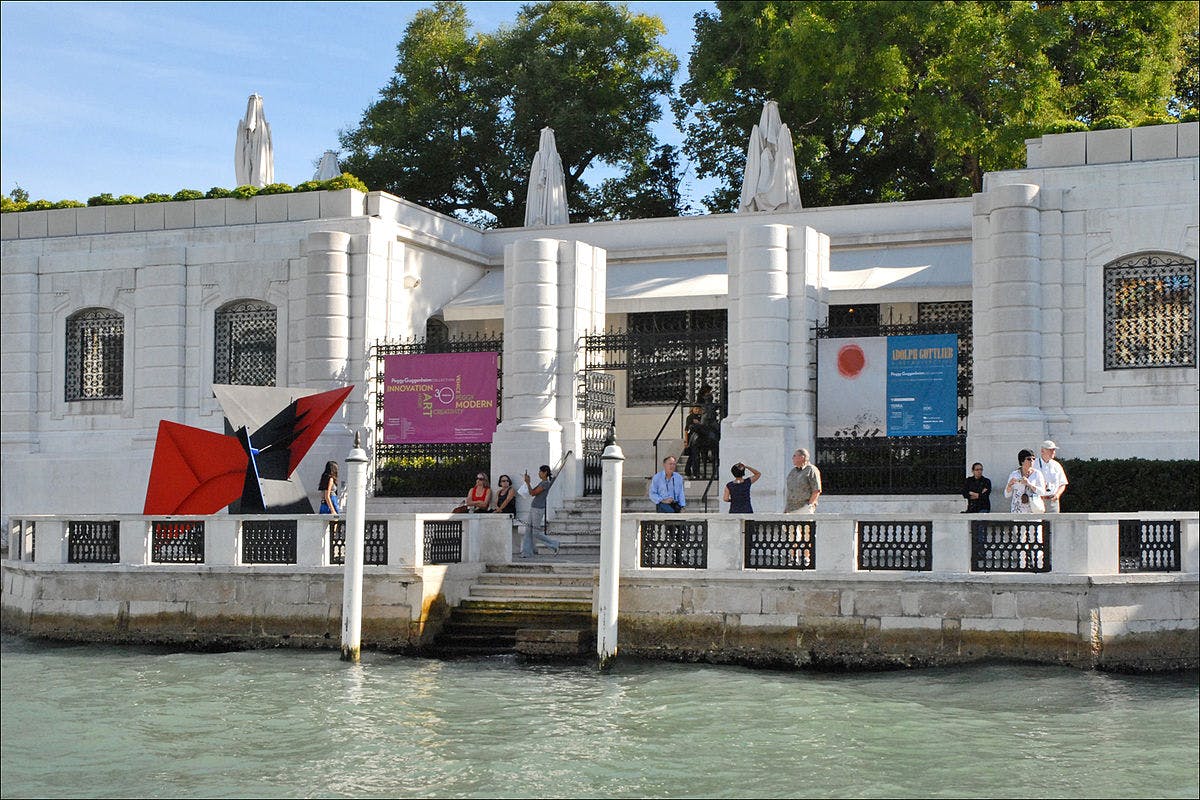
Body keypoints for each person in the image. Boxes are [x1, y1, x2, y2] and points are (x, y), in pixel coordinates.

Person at [522, 465, 560, 557]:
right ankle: (527, 553)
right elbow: (532, 492)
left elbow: (533, 493)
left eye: (540, 471)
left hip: (538, 509)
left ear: (545, 472)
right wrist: (528, 483)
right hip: (534, 507)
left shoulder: (545, 483)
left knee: (536, 532)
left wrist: (528, 483)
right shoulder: (542, 482)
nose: (538, 473)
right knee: (528, 530)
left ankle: (554, 544)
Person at [1004, 449, 1049, 513]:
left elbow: (1042, 492)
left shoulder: (1037, 474)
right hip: (1017, 511)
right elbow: (1007, 495)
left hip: (1033, 510)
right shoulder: (1014, 474)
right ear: (1022, 461)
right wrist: (1009, 485)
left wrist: (1029, 484)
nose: (1032, 461)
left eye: (1033, 459)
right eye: (1029, 459)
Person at [784, 448, 821, 513]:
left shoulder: (811, 470)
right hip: (791, 508)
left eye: (794, 456)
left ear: (802, 457)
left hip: (804, 508)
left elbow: (816, 490)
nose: (792, 458)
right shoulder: (793, 471)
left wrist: (809, 506)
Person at [1036, 440, 1069, 512]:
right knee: (1038, 522)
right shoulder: (1034, 464)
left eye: (1054, 450)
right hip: (1038, 500)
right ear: (1042, 451)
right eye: (1050, 450)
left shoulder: (1057, 465)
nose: (1053, 452)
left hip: (1053, 501)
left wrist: (1057, 495)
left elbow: (1063, 484)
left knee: (1053, 522)